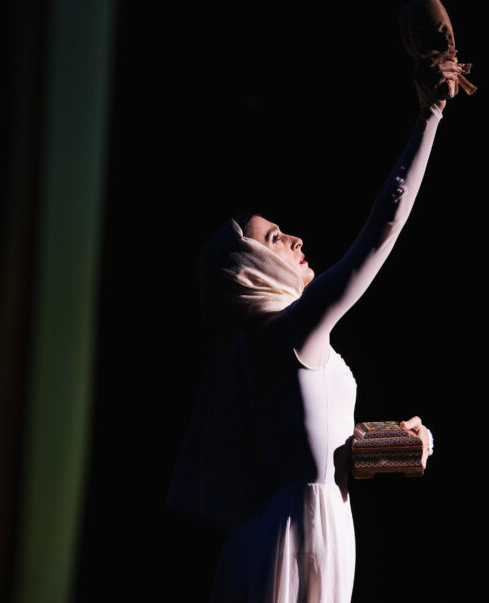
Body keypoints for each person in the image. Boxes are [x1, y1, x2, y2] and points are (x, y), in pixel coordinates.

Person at [168, 48, 467, 602]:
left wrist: (384, 443)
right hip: (299, 539)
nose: (296, 239)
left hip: (297, 533)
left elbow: (307, 447)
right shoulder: (288, 331)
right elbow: (381, 231)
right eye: (274, 237)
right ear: (248, 270)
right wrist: (430, 116)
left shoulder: (266, 345)